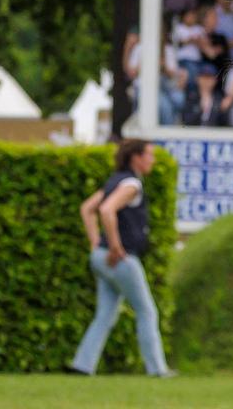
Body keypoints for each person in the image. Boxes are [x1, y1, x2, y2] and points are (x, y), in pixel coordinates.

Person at [69, 139, 171, 377]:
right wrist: (115, 246)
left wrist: (96, 242)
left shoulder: (115, 180)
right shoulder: (131, 184)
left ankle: (82, 365)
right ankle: (157, 369)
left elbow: (87, 208)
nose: (152, 160)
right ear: (136, 157)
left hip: (100, 257)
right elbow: (106, 210)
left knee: (104, 314)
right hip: (120, 259)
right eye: (149, 155)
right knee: (146, 311)